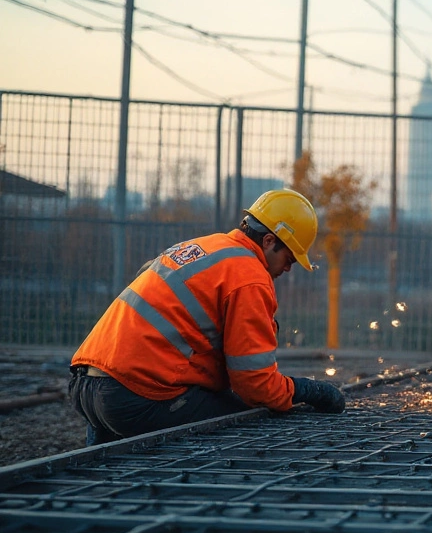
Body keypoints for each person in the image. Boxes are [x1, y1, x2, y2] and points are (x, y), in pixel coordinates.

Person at [68, 189, 346, 445]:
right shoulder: (250, 276)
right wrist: (307, 391)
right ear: (270, 240)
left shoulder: (205, 246)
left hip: (85, 387)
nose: (289, 268)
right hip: (135, 398)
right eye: (290, 258)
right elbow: (256, 385)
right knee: (255, 420)